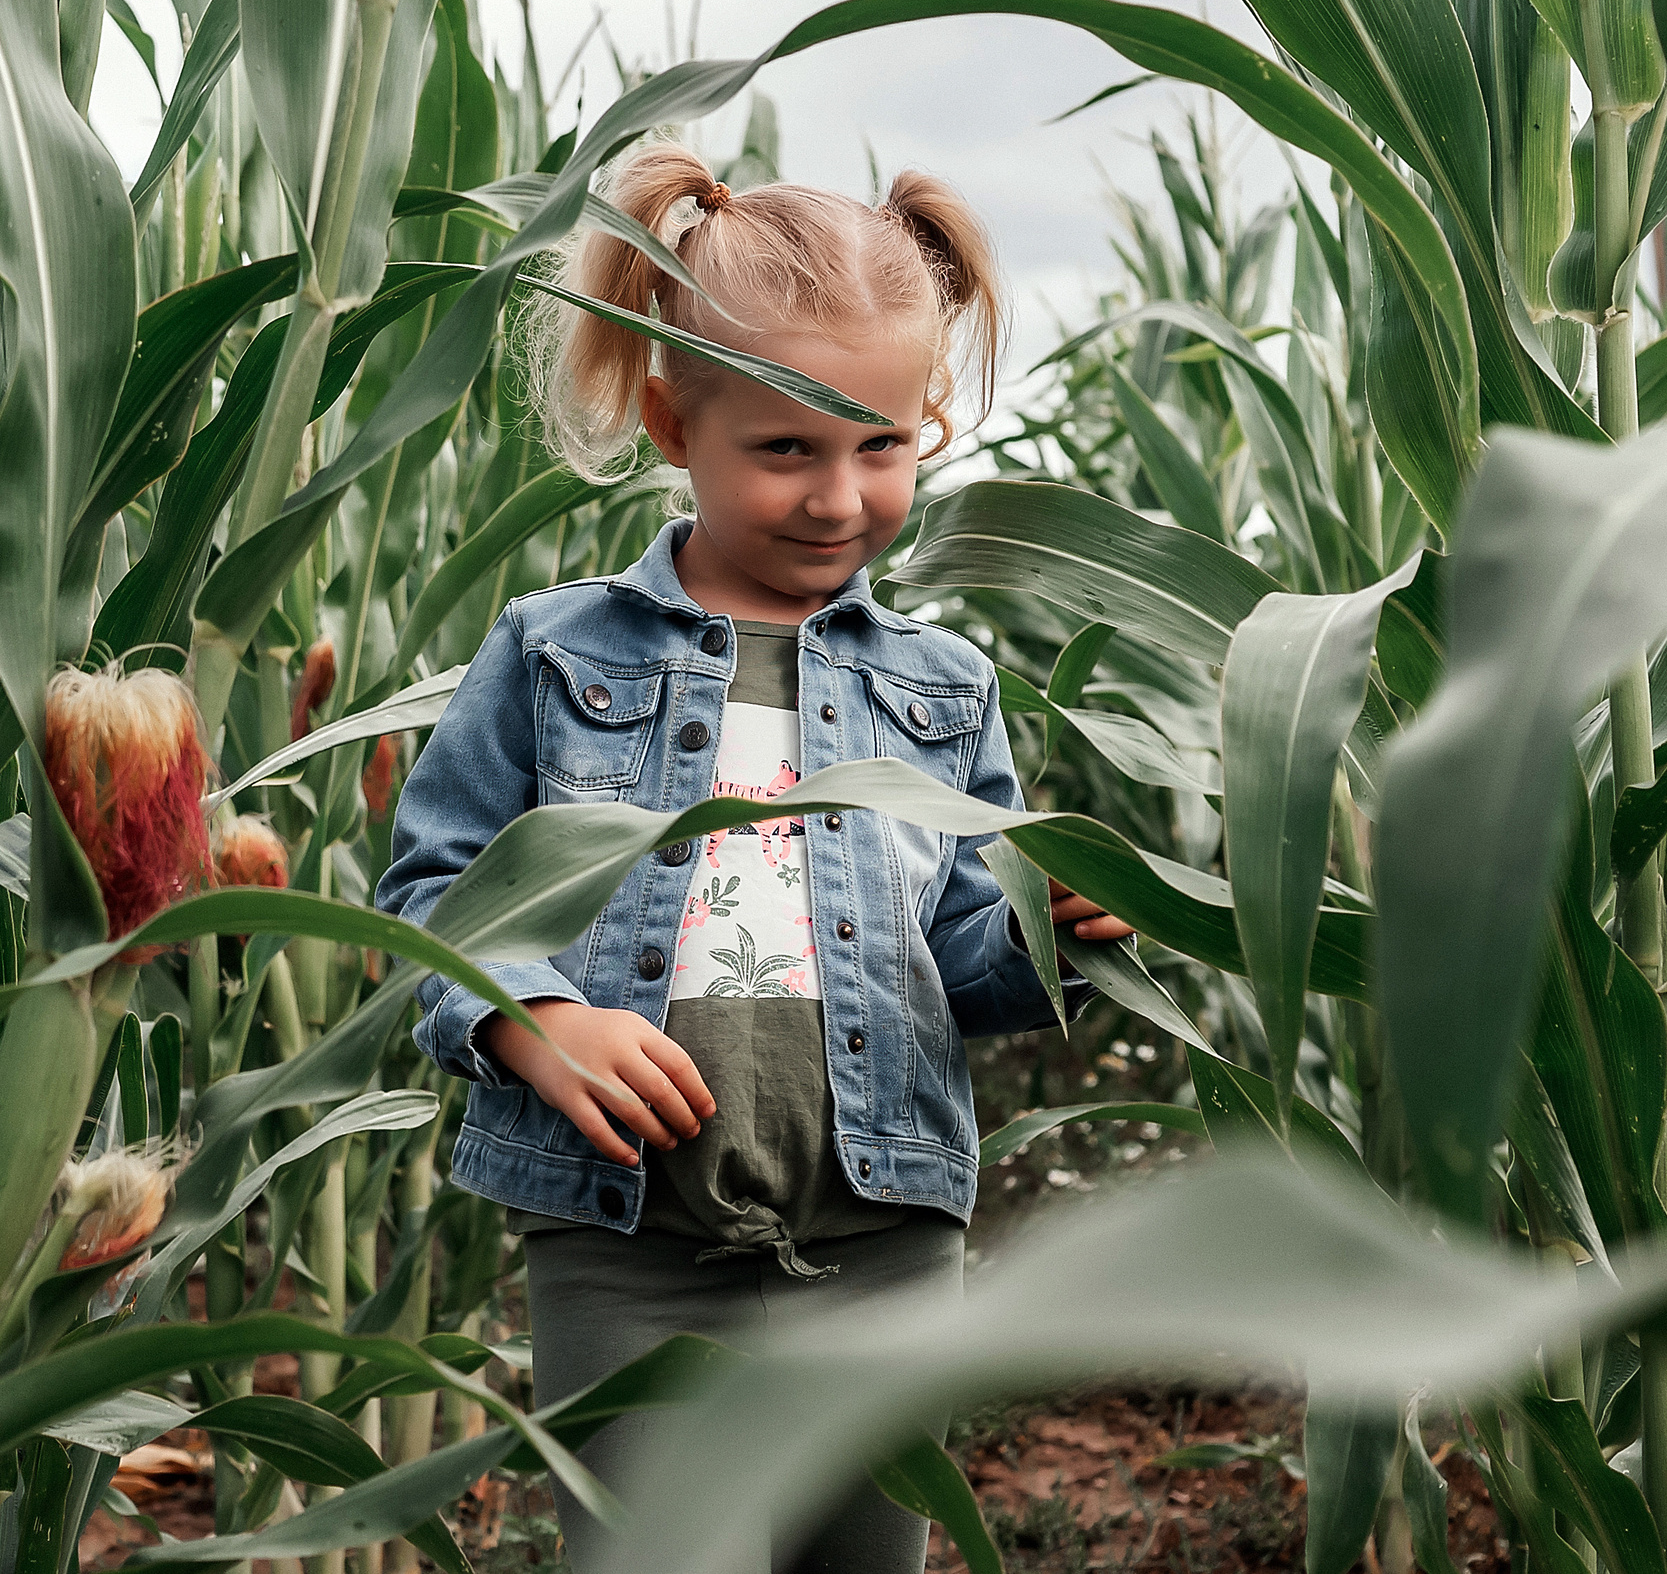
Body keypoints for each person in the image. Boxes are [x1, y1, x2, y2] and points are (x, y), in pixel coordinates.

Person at [376, 137, 1132, 1574]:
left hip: (885, 1254)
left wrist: (1055, 940)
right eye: (786, 446)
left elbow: (962, 957)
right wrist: (534, 1018)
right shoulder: (553, 654)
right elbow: (434, 897)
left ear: (931, 425)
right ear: (674, 423)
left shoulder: (943, 687)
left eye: (881, 445)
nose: (839, 498)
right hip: (627, 1256)